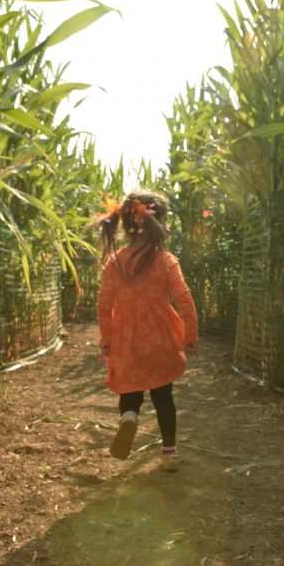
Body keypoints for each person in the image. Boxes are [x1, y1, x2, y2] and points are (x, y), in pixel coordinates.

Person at [95, 191, 198, 470]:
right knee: (163, 396)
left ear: (126, 224)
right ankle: (169, 454)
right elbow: (184, 299)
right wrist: (189, 334)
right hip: (160, 338)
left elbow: (104, 305)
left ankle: (129, 418)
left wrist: (107, 338)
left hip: (126, 339)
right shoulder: (166, 261)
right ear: (160, 223)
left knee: (130, 392)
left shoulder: (115, 263)